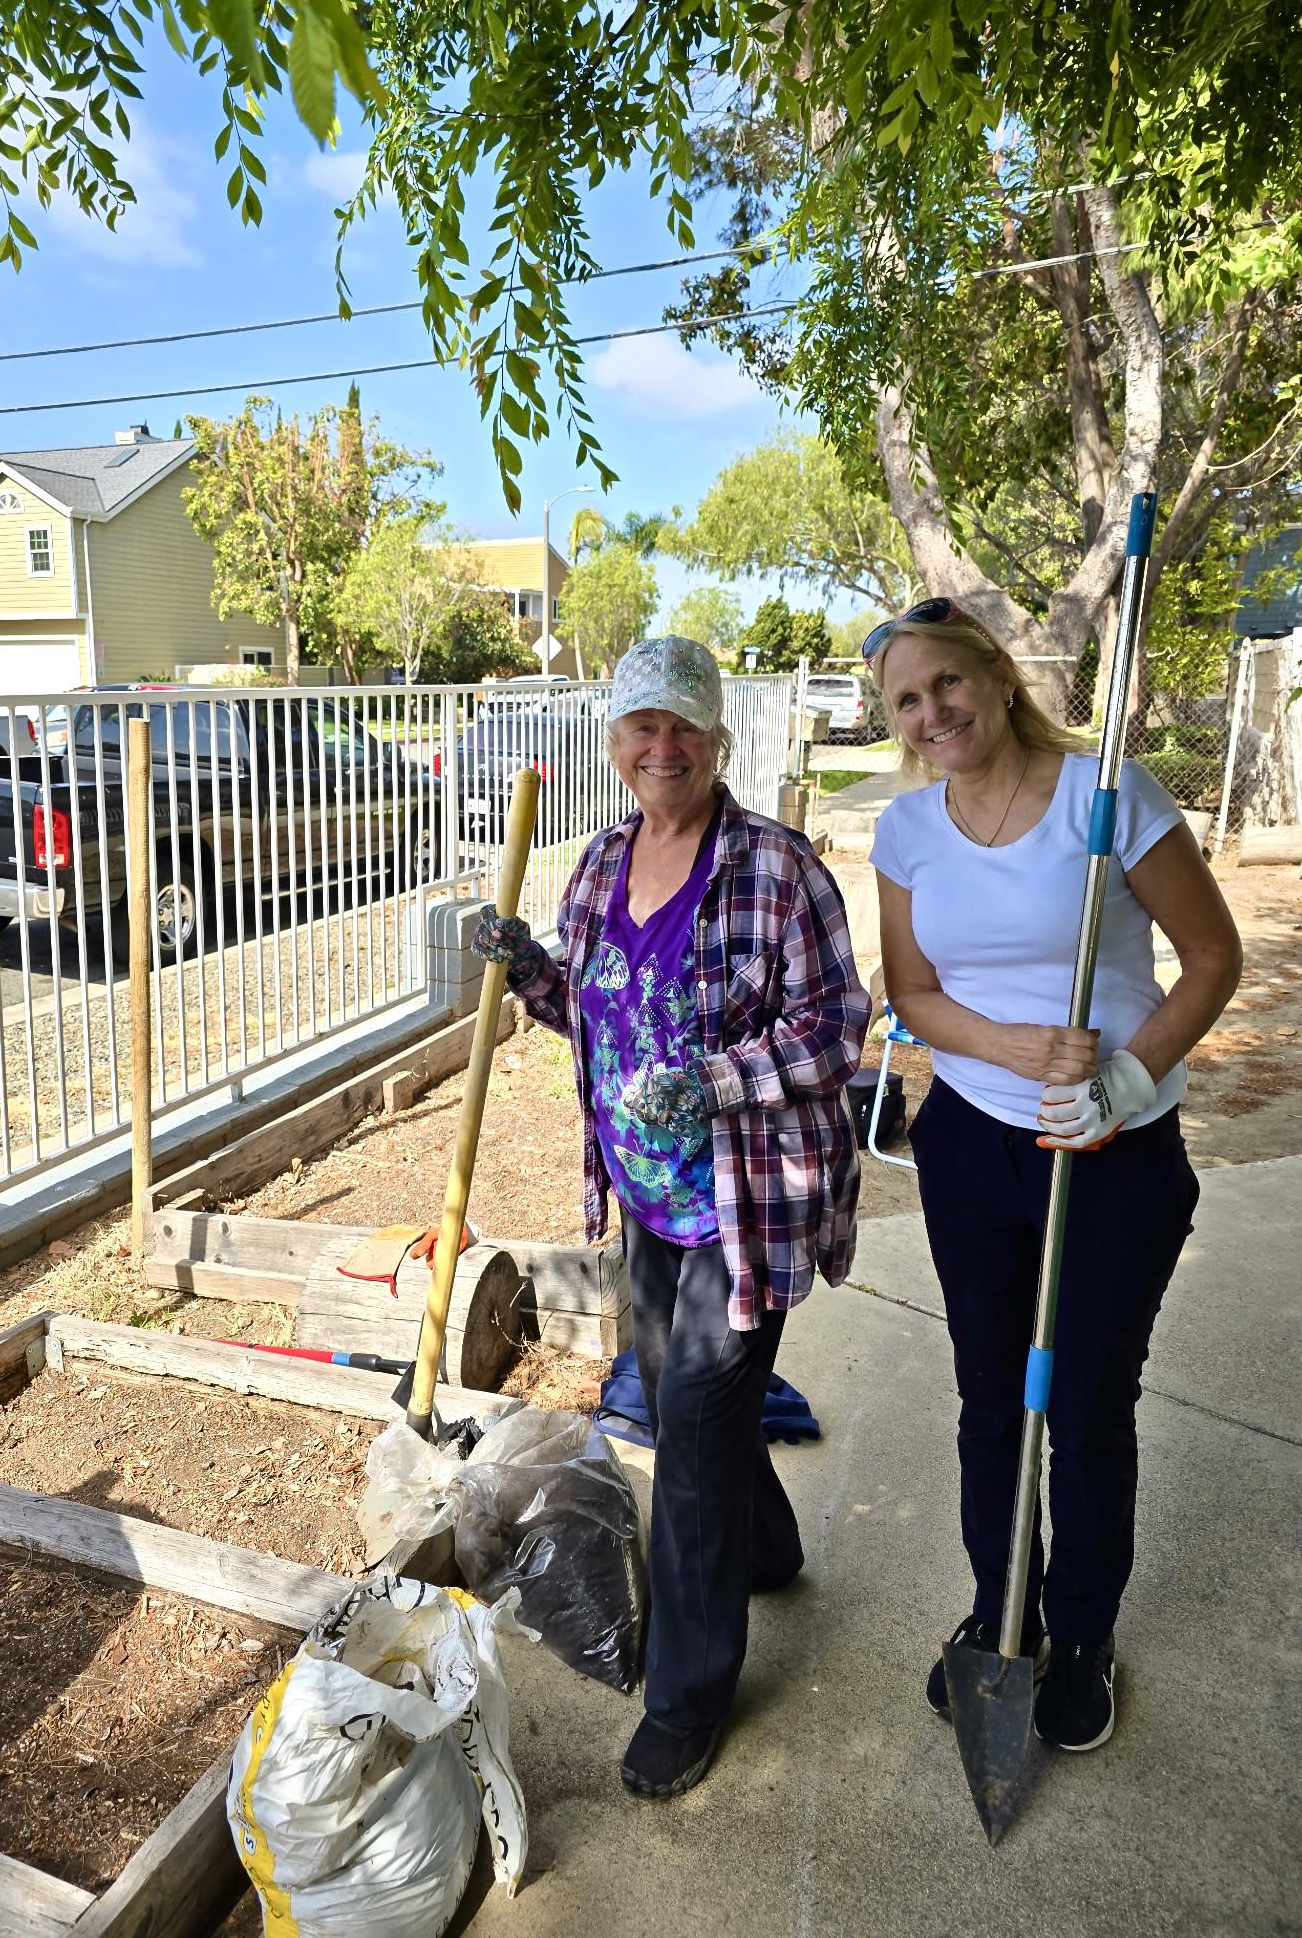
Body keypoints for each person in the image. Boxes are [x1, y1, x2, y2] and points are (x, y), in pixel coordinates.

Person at [473, 635, 869, 1798]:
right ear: (615, 742)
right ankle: (772, 1548)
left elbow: (840, 1026)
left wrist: (720, 1077)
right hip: (644, 1201)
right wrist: (532, 970)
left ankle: (687, 1697)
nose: (663, 747)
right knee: (700, 1407)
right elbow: (597, 1012)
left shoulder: (777, 868)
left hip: (750, 1204)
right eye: (642, 727)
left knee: (689, 1436)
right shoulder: (599, 863)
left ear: (718, 740)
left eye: (684, 727)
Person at [866, 597, 1243, 1751]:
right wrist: (1017, 1048)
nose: (934, 714)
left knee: (1082, 1402)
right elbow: (915, 993)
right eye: (906, 702)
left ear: (994, 673)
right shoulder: (907, 830)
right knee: (992, 1398)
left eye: (948, 684)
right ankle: (1001, 1604)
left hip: (1114, 1153)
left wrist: (1126, 1079)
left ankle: (1082, 1627)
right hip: (976, 1144)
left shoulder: (1108, 798)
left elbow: (1215, 957)